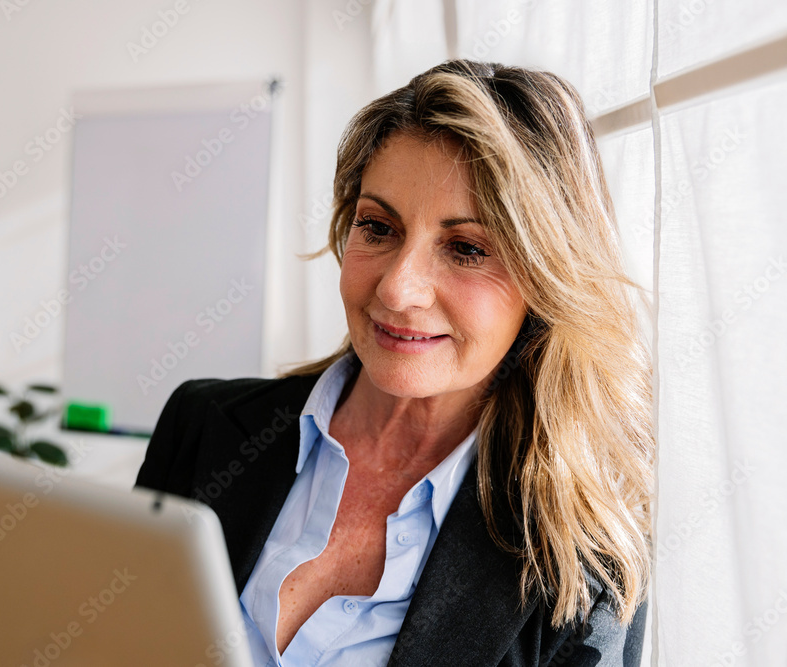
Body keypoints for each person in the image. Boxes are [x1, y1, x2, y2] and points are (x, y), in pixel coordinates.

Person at [136, 59, 653, 666]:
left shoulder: (584, 563)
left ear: (547, 280)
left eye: (467, 248)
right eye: (378, 227)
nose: (397, 288)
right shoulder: (201, 425)